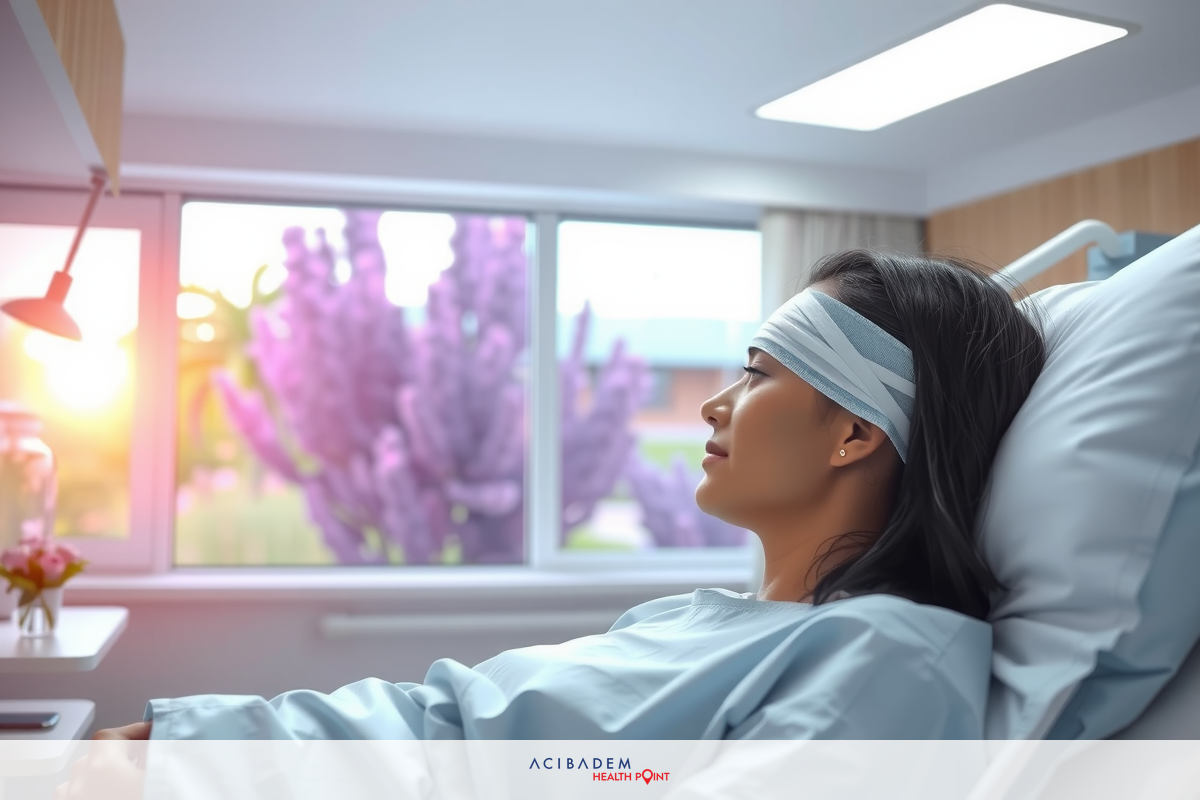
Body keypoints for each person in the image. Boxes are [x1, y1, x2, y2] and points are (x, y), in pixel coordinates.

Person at [95, 249, 1045, 741]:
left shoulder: (893, 658)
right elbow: (457, 720)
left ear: (854, 432)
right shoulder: (691, 620)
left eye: (758, 373)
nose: (716, 403)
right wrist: (191, 741)